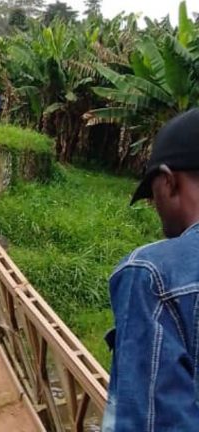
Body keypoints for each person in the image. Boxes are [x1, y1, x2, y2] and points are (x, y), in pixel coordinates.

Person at [102, 109, 199, 431]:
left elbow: (148, 421)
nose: (152, 204)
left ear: (169, 183)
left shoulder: (154, 276)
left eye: (152, 190)